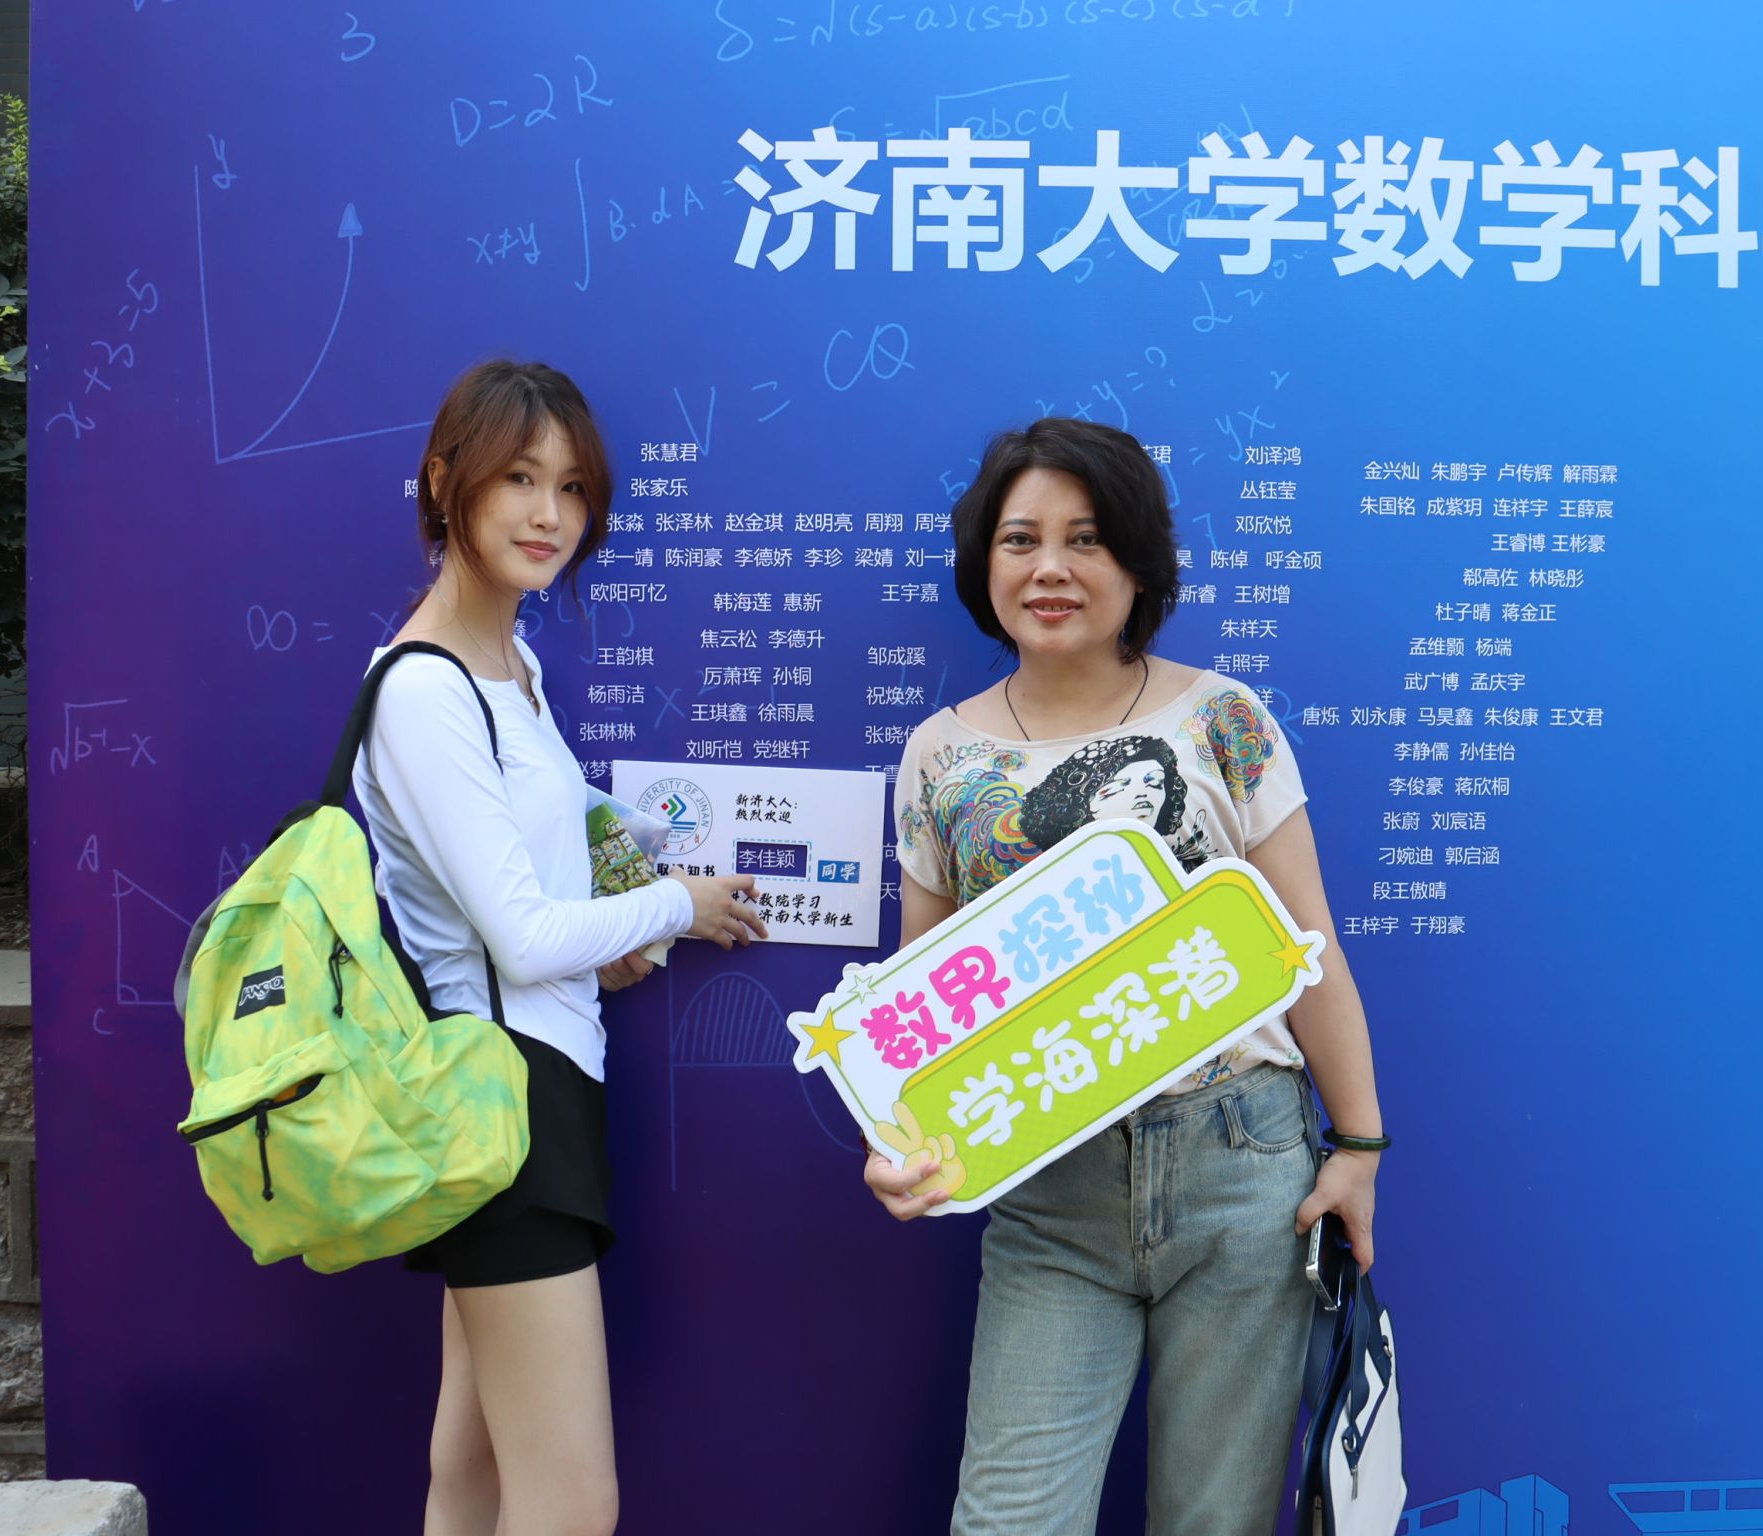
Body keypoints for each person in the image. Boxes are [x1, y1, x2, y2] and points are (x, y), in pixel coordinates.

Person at [869, 417, 1386, 1536]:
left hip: (1240, 1164)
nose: (1049, 567)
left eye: (1087, 539)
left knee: (1214, 1518)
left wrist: (1358, 1147)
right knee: (1009, 1518)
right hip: (1046, 1182)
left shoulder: (1221, 717)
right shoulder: (939, 756)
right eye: (1020, 539)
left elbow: (1307, 948)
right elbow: (920, 997)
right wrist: (901, 1139)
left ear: (1139, 563)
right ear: (983, 562)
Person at [353, 360, 766, 1536]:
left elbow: (533, 868)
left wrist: (625, 882)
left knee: (474, 1466)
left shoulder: (512, 665)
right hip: (503, 1100)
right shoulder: (424, 691)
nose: (549, 514)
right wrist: (677, 905)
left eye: (573, 488)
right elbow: (525, 938)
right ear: (446, 483)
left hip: (535, 1085)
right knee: (573, 1501)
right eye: (519, 479)